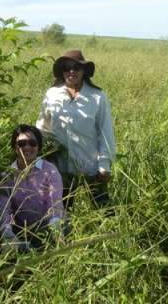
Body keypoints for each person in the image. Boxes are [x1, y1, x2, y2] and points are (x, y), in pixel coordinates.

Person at [36, 50, 116, 211]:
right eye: (67, 67)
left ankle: (112, 235)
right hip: (61, 168)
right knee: (62, 212)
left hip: (91, 167)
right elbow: (42, 128)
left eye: (76, 67)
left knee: (104, 212)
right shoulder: (52, 94)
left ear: (84, 71)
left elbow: (105, 132)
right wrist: (41, 160)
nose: (71, 71)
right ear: (62, 71)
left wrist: (104, 165)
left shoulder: (97, 96)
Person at [0, 124, 66, 252]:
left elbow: (56, 204)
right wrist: (7, 234)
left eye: (32, 143)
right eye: (22, 143)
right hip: (23, 230)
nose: (27, 147)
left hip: (51, 226)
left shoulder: (49, 170)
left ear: (38, 147)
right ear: (15, 147)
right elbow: (4, 210)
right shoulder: (7, 176)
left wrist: (56, 231)